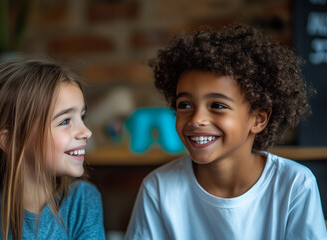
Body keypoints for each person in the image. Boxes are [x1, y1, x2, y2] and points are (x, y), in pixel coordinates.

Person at [125, 25, 327, 239]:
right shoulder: (158, 188)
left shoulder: (294, 184)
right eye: (184, 105)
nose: (196, 119)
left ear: (258, 119)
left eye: (218, 106)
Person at [0, 59, 105, 239]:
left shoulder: (83, 200)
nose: (86, 132)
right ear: (12, 141)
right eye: (65, 121)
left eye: (82, 117)